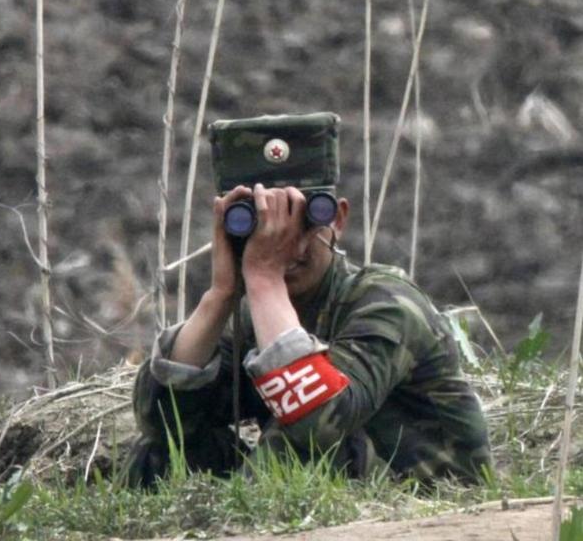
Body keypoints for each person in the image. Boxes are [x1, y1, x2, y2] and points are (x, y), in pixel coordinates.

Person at [125, 112, 491, 487]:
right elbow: (161, 421)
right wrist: (221, 296)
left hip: (426, 488)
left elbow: (322, 425)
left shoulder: (386, 302)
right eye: (262, 227)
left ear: (338, 220)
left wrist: (265, 279)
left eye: (305, 223)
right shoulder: (253, 317)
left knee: (299, 449)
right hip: (351, 483)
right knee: (159, 456)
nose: (288, 245)